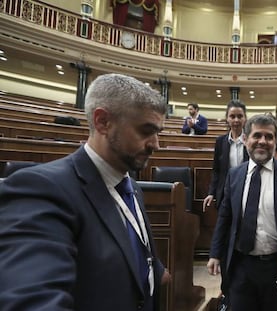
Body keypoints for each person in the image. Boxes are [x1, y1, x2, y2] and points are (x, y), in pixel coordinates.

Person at [0, 73, 171, 311]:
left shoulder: (130, 187)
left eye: (158, 132)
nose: (156, 144)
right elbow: (32, 298)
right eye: (146, 131)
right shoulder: (40, 189)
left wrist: (154, 269)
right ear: (102, 122)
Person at [207, 114, 277, 311]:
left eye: (269, 137)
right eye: (257, 136)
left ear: (275, 141)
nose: (262, 142)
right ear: (246, 139)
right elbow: (225, 217)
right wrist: (215, 253)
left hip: (276, 267)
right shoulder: (234, 175)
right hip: (240, 265)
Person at [203, 99, 249, 311]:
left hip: (249, 196)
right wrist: (212, 192)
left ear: (245, 118)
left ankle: (243, 287)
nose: (236, 120)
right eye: (233, 116)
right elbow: (216, 171)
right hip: (226, 197)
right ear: (227, 118)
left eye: (240, 116)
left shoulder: (251, 139)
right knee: (226, 244)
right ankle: (226, 292)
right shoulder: (221, 142)